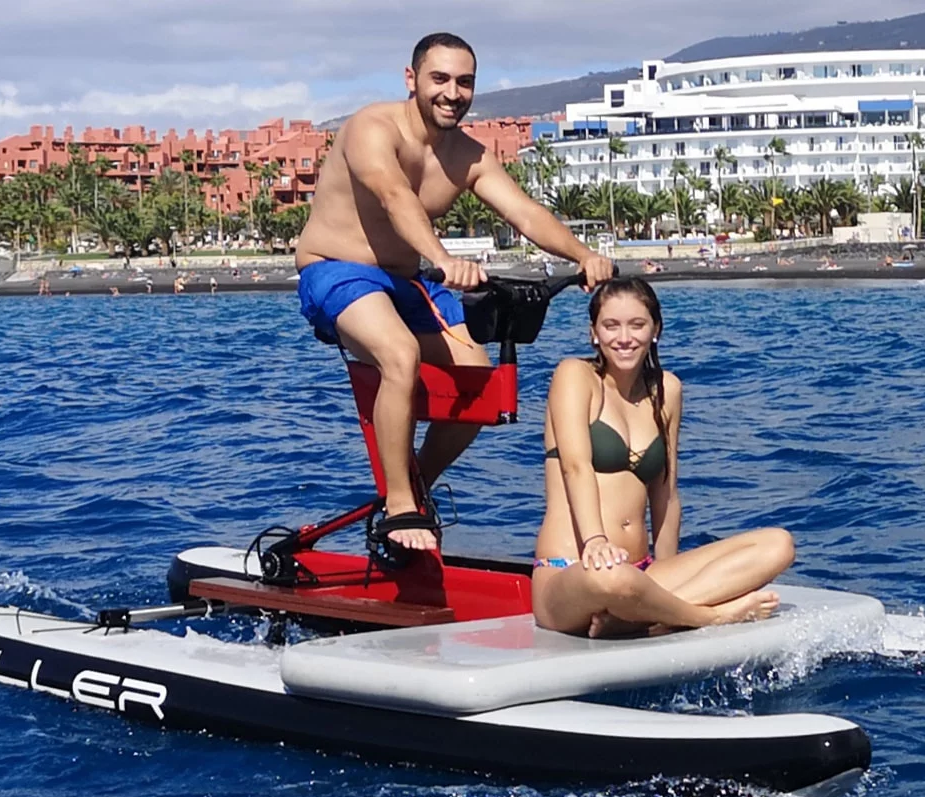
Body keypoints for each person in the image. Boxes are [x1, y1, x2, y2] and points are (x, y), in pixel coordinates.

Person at [296, 32, 613, 553]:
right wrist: (442, 260)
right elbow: (394, 195)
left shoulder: (466, 155)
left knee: (480, 382)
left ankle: (415, 483)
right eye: (439, 78)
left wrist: (583, 256)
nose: (452, 92)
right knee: (399, 356)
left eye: (464, 82)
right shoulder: (370, 129)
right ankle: (400, 507)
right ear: (412, 79)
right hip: (336, 269)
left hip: (409, 283)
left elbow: (525, 213)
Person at [532, 278, 794, 637]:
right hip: (574, 569)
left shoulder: (667, 391)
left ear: (656, 329)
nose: (624, 337)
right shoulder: (575, 376)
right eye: (611, 326)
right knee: (612, 578)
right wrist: (595, 541)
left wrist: (665, 575)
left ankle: (645, 613)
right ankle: (708, 616)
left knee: (778, 544)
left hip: (640, 570)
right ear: (593, 332)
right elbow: (575, 466)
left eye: (637, 325)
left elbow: (666, 494)